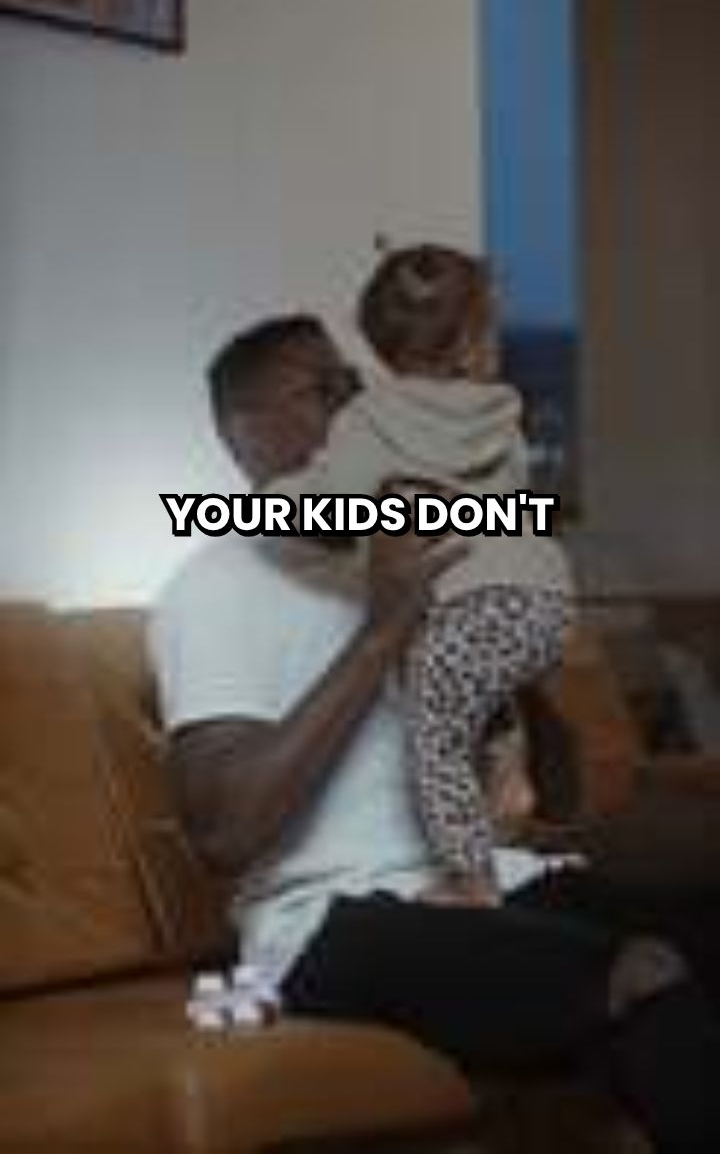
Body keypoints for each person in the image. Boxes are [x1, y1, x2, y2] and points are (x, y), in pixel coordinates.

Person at [152, 314, 720, 1153]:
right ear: (247, 433)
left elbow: (558, 804)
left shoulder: (402, 556)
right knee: (640, 972)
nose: (359, 410)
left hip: (484, 885)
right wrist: (384, 629)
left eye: (357, 386)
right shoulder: (215, 587)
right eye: (324, 391)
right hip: (331, 924)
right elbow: (224, 831)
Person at [259, 245, 575, 901]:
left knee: (433, 734)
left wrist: (269, 499)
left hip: (469, 604)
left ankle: (471, 880)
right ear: (473, 339)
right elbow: (516, 496)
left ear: (376, 340)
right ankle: (509, 775)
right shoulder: (502, 412)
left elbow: (332, 497)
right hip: (547, 600)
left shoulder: (371, 418)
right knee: (476, 684)